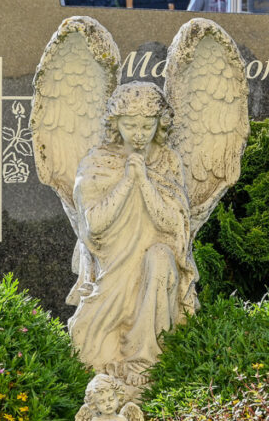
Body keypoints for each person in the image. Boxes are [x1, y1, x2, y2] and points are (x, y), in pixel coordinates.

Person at [69, 82, 195, 383]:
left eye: (146, 126)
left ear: (159, 125)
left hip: (154, 256)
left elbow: (174, 226)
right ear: (115, 124)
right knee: (87, 345)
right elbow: (93, 225)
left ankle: (145, 361)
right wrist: (128, 181)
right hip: (111, 262)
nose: (139, 134)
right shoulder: (97, 162)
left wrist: (145, 182)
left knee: (161, 259)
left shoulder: (168, 161)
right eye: (130, 126)